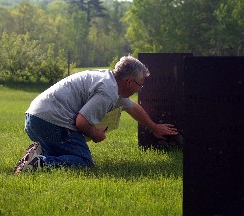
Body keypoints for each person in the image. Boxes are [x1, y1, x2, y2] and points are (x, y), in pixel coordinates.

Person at [13, 55, 178, 175]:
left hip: (34, 119)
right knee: (83, 162)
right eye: (139, 86)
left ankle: (41, 150)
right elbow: (82, 122)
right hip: (51, 123)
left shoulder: (109, 81)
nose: (138, 90)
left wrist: (154, 127)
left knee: (67, 154)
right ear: (129, 81)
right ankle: (40, 162)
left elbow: (133, 108)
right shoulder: (108, 92)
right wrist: (95, 134)